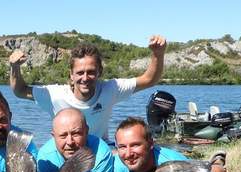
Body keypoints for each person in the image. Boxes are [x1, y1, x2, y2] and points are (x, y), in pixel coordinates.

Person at [9, 36, 167, 141]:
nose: (85, 78)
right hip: (66, 152)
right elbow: (20, 91)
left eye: (91, 72)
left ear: (100, 72)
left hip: (100, 151)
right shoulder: (54, 95)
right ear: (71, 74)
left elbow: (149, 79)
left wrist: (158, 55)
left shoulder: (111, 89)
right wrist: (14, 67)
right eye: (79, 73)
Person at [37, 108, 113, 172]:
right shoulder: (45, 157)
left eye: (76, 134)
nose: (70, 142)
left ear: (86, 131)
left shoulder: (101, 152)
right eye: (63, 136)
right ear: (53, 136)